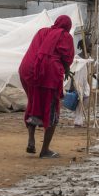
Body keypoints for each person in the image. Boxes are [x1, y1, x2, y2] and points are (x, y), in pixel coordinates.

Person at [19, 15, 75, 158]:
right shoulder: (65, 36)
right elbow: (67, 57)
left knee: (34, 104)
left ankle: (31, 139)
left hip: (30, 72)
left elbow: (34, 52)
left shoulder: (42, 32)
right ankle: (45, 150)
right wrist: (66, 69)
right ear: (68, 26)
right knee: (52, 109)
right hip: (49, 75)